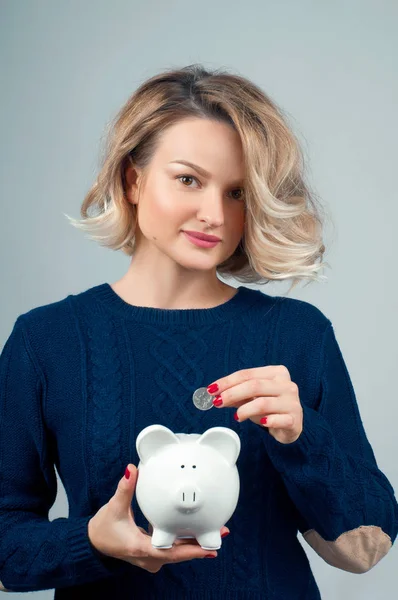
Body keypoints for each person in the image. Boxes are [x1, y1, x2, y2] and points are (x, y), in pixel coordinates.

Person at [0, 63, 397, 600]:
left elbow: (365, 548)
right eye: (189, 179)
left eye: (237, 193)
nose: (214, 213)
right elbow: (6, 547)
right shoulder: (46, 341)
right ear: (133, 179)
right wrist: (92, 540)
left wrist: (303, 437)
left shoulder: (298, 336)